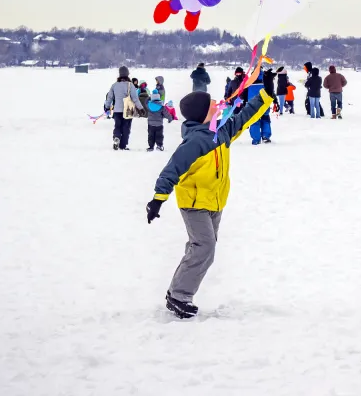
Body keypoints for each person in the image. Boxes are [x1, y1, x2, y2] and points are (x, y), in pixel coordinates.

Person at [144, 61, 272, 319]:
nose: (217, 104)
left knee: (203, 249)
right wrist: (157, 199)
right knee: (204, 248)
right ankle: (179, 296)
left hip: (214, 201)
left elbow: (245, 117)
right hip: (194, 204)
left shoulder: (219, 133)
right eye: (212, 103)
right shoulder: (195, 142)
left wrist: (266, 93)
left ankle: (177, 293)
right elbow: (171, 170)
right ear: (203, 113)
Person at [103, 66, 144, 150]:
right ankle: (123, 145)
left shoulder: (114, 85)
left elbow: (109, 97)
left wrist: (107, 107)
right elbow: (135, 98)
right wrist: (141, 108)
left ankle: (116, 137)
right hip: (128, 110)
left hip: (117, 110)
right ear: (127, 74)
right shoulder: (130, 85)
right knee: (126, 128)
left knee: (117, 126)